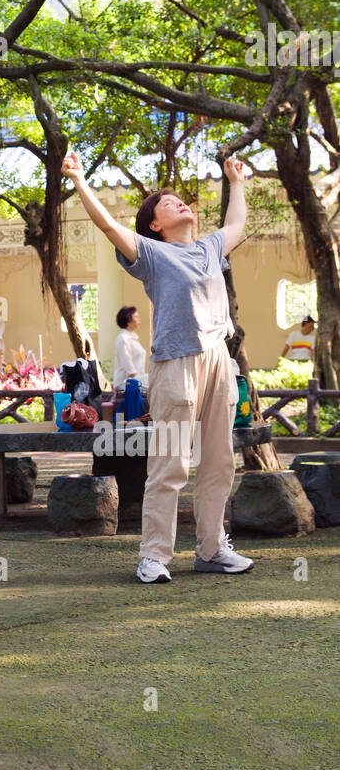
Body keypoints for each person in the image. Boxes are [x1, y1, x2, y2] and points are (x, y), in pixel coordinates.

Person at [61, 152, 255, 585]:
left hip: (218, 360)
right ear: (154, 225)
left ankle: (211, 549)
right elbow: (110, 227)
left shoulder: (209, 248)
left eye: (181, 201)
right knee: (171, 463)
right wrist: (78, 180)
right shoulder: (150, 253)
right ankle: (153, 556)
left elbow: (237, 225)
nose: (181, 204)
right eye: (169, 204)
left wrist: (236, 181)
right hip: (175, 364)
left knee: (219, 462)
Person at [113, 305, 148, 396]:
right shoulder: (123, 339)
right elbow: (129, 368)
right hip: (126, 384)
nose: (139, 319)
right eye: (136, 317)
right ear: (128, 320)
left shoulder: (133, 338)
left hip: (136, 381)